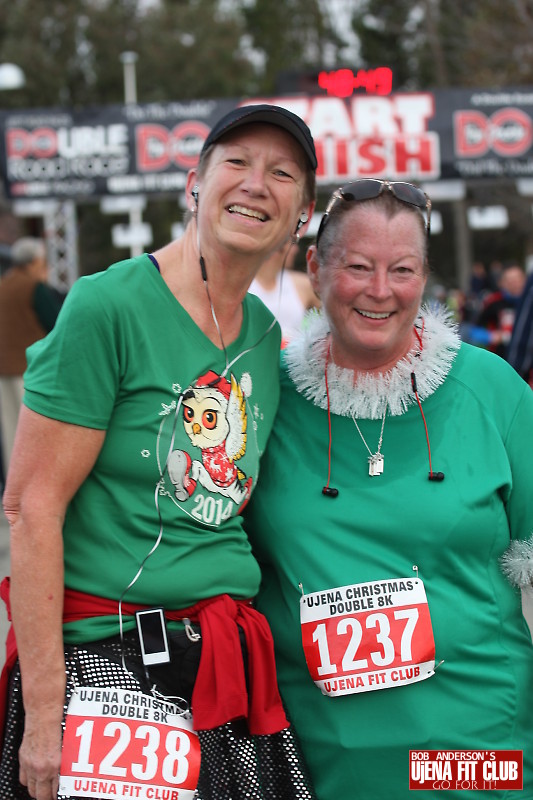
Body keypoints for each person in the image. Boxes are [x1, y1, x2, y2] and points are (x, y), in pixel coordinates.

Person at [0, 104, 317, 800]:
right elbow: (31, 508)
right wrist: (46, 717)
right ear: (193, 184)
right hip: (106, 659)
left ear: (301, 216)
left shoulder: (265, 336)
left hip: (223, 662)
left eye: (281, 173)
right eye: (237, 162)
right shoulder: (106, 306)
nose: (255, 183)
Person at [244, 179, 533, 799]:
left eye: (402, 270)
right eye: (358, 267)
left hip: (477, 761)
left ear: (424, 278)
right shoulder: (264, 398)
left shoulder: (492, 390)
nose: (380, 290)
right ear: (315, 268)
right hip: (321, 768)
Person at [0, 238, 65, 477]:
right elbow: (57, 323)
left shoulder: (3, 285)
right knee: (32, 430)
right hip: (29, 369)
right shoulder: (33, 287)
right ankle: (34, 479)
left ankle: (14, 482)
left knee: (10, 430)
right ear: (36, 261)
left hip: (3, 368)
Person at [249, 240, 320, 344]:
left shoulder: (303, 283)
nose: (296, 250)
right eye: (293, 243)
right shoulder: (243, 283)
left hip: (291, 352)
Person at [507, 269, 533, 387]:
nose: (514, 284)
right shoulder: (495, 302)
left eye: (516, 280)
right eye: (510, 281)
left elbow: (524, 332)